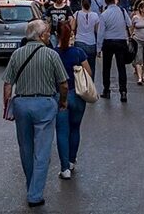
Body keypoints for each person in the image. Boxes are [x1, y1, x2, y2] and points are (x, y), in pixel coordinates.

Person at [1, 20, 68, 207]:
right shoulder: (51, 55)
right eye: (47, 32)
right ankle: (35, 194)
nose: (49, 35)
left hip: (22, 103)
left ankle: (31, 185)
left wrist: (7, 106)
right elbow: (63, 83)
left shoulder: (17, 54)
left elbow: (8, 84)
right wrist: (63, 101)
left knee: (26, 148)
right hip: (45, 104)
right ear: (41, 35)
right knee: (42, 151)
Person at [53, 22, 91, 180]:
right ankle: (71, 160)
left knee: (62, 132)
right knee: (75, 129)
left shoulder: (52, 53)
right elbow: (88, 72)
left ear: (56, 35)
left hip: (60, 95)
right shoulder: (78, 53)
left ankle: (64, 169)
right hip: (77, 95)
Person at [97, 0, 133, 102]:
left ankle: (106, 90)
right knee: (121, 67)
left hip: (108, 42)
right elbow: (130, 24)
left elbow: (101, 32)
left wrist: (98, 48)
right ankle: (123, 91)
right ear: (114, 0)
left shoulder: (104, 15)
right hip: (121, 41)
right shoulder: (122, 11)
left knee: (106, 67)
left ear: (106, 2)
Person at [73, 0, 99, 75]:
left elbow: (73, 27)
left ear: (81, 4)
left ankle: (81, 85)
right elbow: (97, 30)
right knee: (91, 66)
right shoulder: (95, 15)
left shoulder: (77, 14)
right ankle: (90, 84)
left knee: (79, 67)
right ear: (90, 5)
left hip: (79, 41)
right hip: (91, 43)